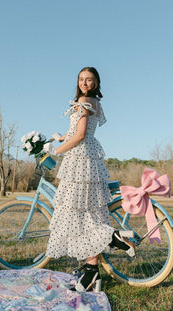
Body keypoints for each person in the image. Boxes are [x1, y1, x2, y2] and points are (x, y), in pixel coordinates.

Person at [44, 67, 135, 292]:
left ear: (96, 83)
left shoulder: (85, 100)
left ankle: (116, 238)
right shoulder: (92, 101)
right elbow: (76, 129)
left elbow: (81, 134)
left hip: (80, 159)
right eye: (82, 79)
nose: (85, 82)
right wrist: (60, 136)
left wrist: (58, 150)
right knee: (88, 214)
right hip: (87, 158)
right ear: (78, 81)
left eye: (89, 79)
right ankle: (91, 273)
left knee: (78, 213)